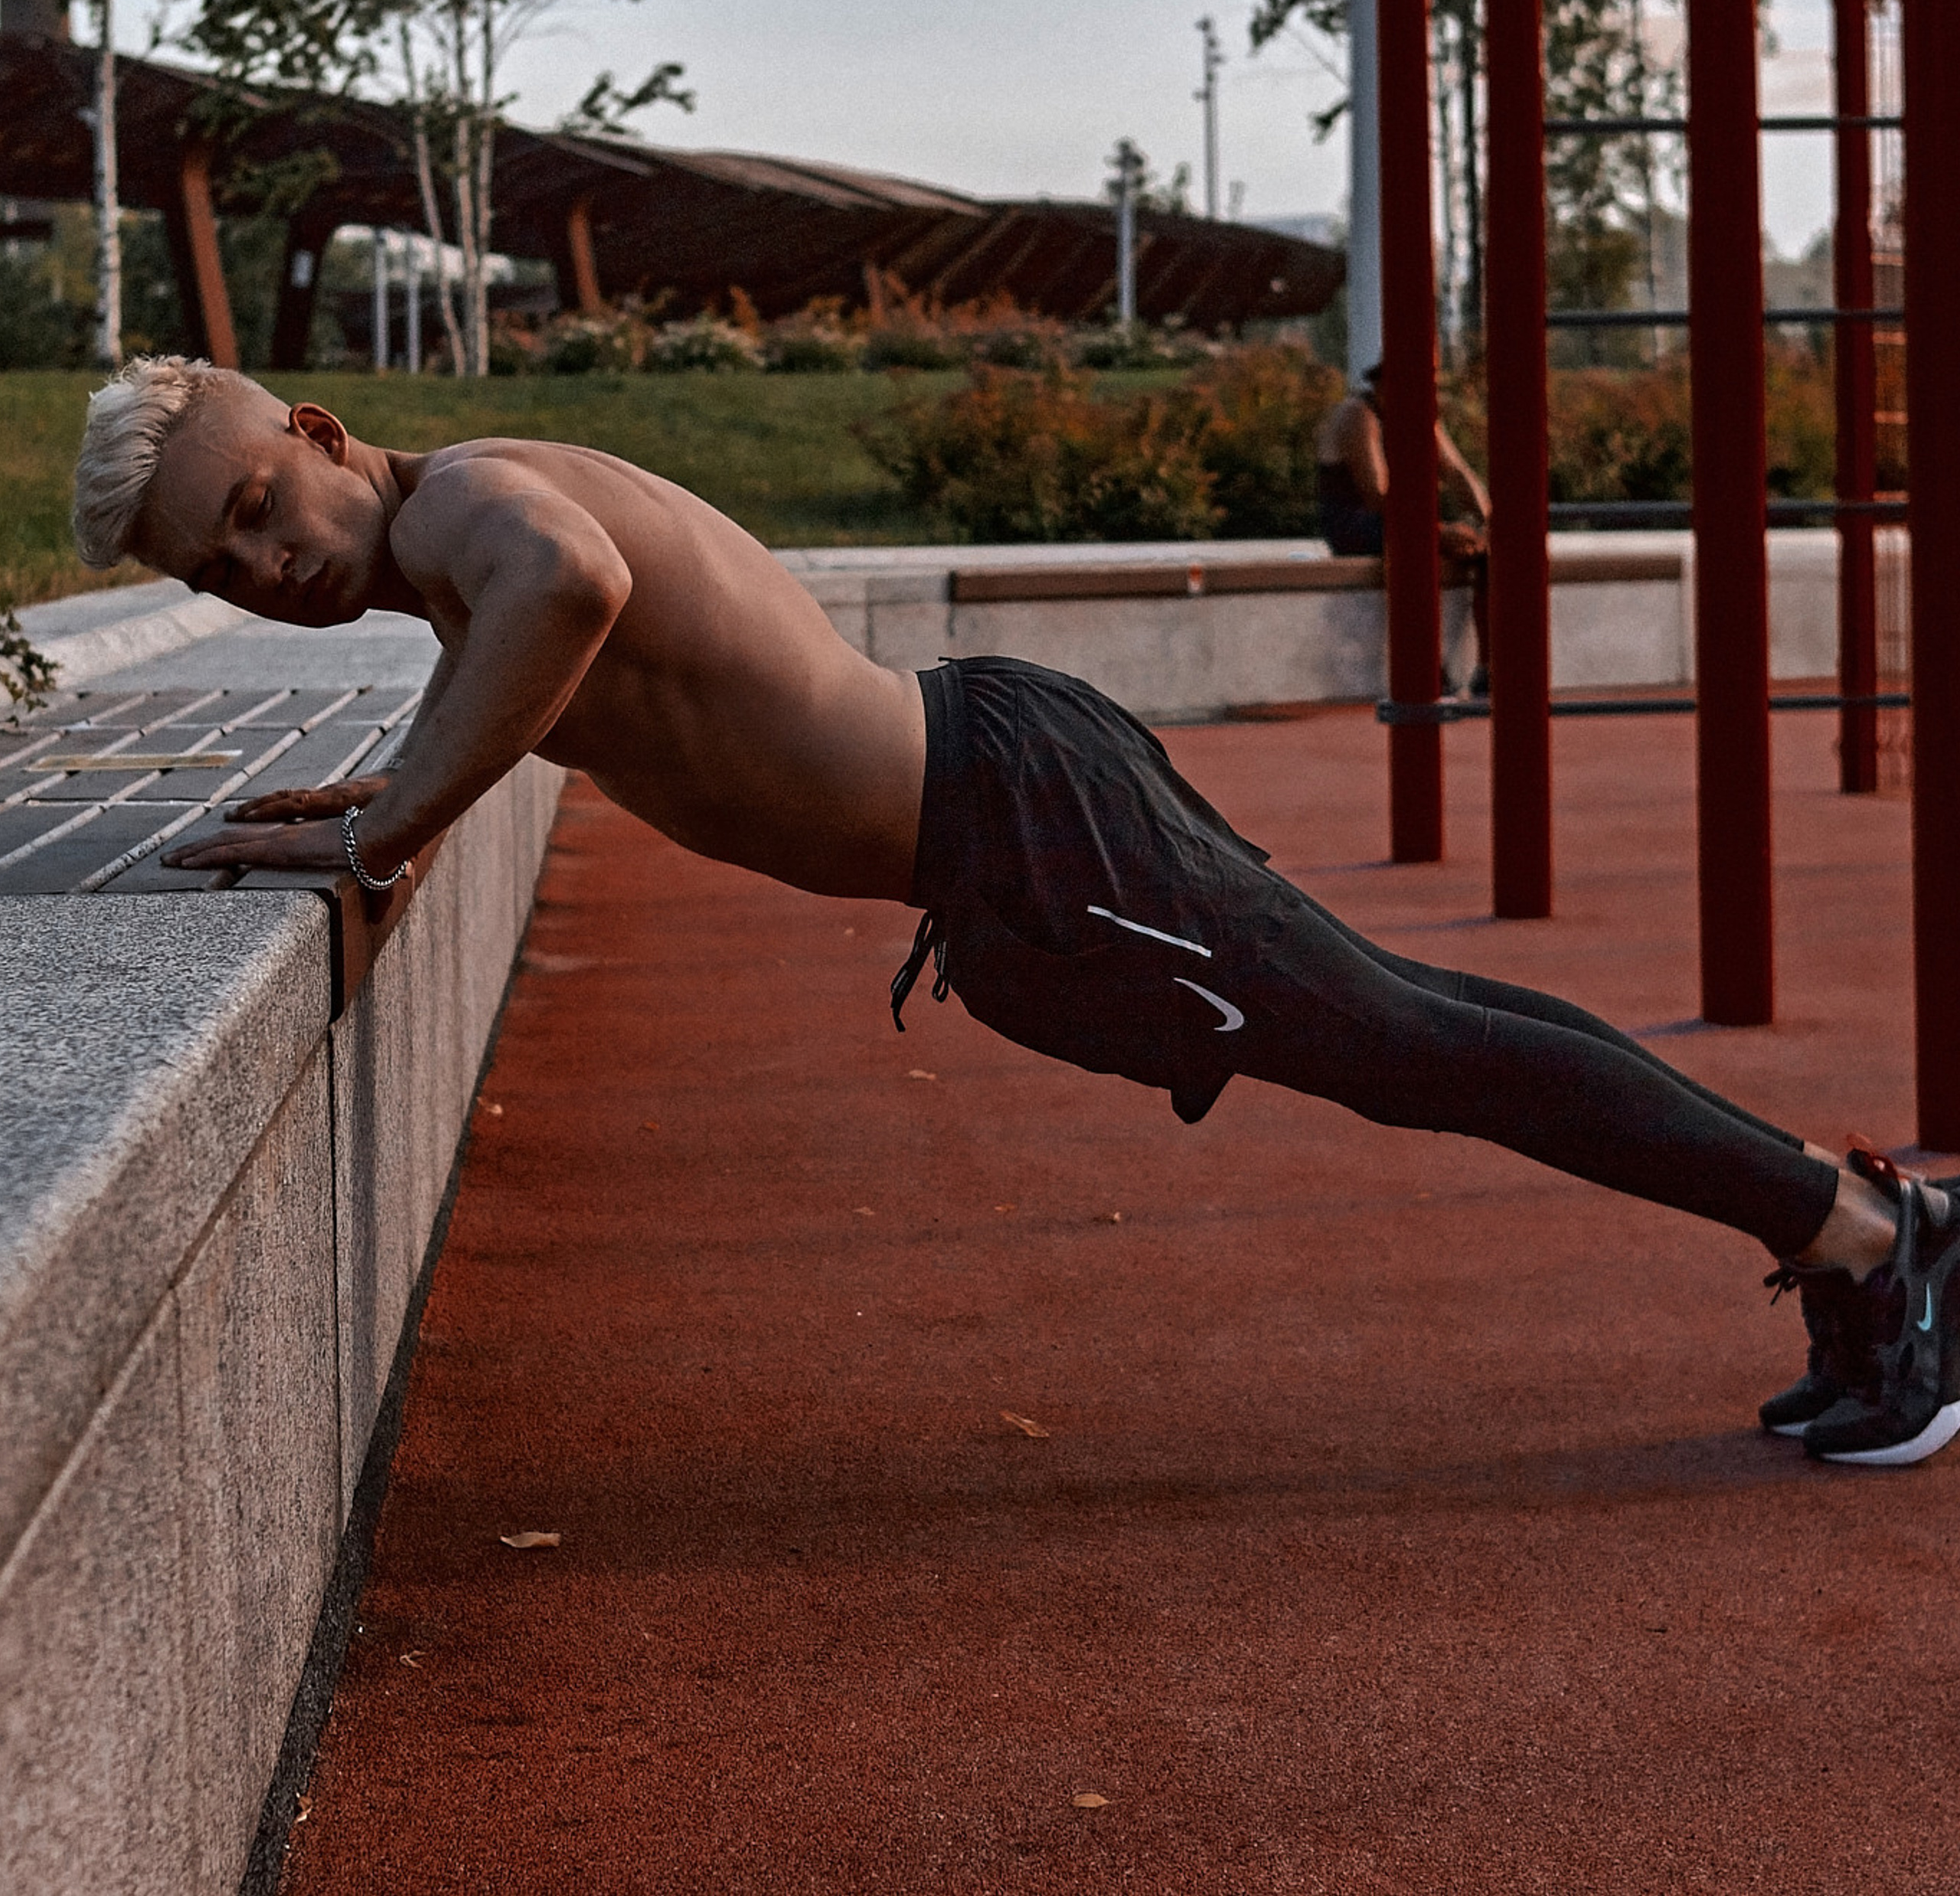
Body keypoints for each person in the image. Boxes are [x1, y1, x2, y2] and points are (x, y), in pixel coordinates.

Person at [69, 355, 1960, 1468]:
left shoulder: (477, 505)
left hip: (1020, 817)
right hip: (1006, 793)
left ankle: (1873, 1237)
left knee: (1411, 1047)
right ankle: (1862, 1223)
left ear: (320, 433)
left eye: (254, 501)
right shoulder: (442, 560)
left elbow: (562, 588)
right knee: (1406, 1028)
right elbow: (521, 646)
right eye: (219, 569)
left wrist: (394, 823)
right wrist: (384, 781)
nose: (262, 561)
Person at [1316, 362, 1492, 695]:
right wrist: (1437, 531)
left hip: (1406, 520)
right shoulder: (1359, 415)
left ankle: (1490, 666)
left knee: (1490, 549)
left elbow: (1457, 473)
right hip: (1357, 523)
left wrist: (1487, 523)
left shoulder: (1420, 416)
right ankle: (1428, 666)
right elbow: (1377, 494)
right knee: (1414, 545)